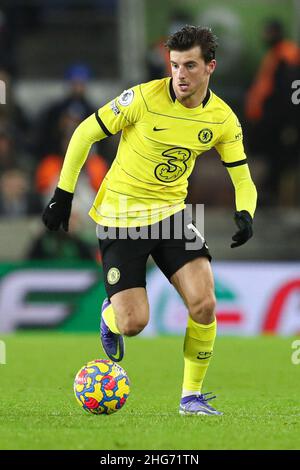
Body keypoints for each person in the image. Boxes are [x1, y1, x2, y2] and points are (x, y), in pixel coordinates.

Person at [42, 26, 257, 416]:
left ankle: (190, 397)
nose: (180, 75)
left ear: (210, 66)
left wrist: (246, 212)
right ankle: (110, 315)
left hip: (172, 216)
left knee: (205, 304)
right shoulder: (142, 98)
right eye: (174, 65)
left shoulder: (222, 118)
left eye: (190, 65)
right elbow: (84, 132)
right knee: (133, 323)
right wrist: (63, 193)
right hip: (121, 217)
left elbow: (242, 178)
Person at [245, 19, 300, 205]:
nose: (265, 36)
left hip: (279, 119)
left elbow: (290, 91)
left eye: (268, 32)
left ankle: (272, 195)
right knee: (271, 157)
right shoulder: (275, 54)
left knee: (279, 158)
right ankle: (270, 193)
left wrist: (290, 122)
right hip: (269, 117)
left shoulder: (287, 54)